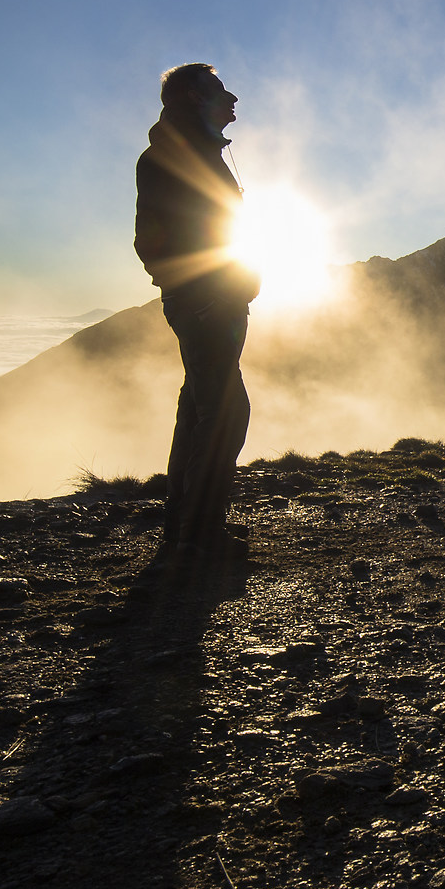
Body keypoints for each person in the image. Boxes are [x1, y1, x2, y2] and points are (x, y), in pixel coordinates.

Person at [134, 63, 260, 561]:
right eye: (220, 90)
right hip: (208, 304)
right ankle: (198, 534)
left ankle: (183, 528)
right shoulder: (172, 157)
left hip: (215, 300)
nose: (233, 99)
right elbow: (154, 242)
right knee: (226, 411)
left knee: (201, 405)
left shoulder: (192, 153)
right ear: (192, 96)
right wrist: (201, 295)